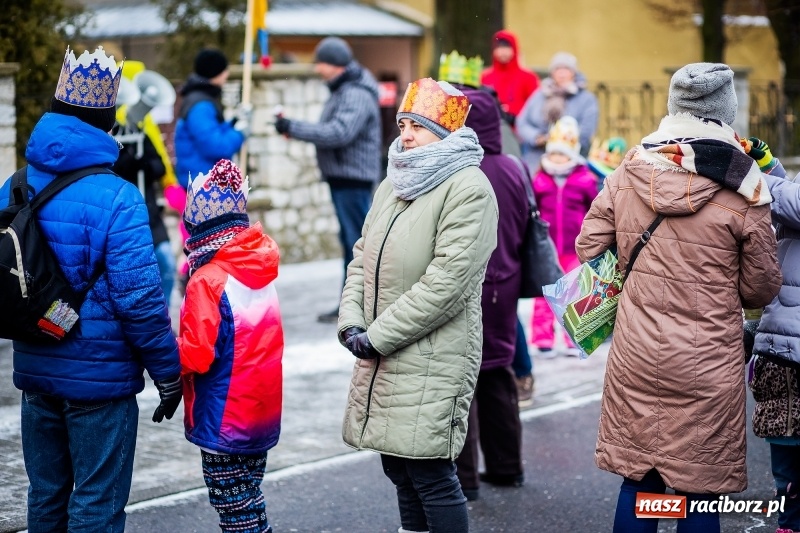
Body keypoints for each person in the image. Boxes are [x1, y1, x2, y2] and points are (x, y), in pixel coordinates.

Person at [576, 62, 782, 532]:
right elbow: (759, 288)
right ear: (726, 112)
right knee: (698, 489)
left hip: (636, 351)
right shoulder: (746, 186)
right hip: (707, 358)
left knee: (641, 482)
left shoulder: (632, 166)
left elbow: (589, 247)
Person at [0, 46, 182, 532]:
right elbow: (141, 301)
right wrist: (168, 373)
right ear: (106, 122)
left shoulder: (14, 185)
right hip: (101, 383)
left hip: (35, 367)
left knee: (45, 500)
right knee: (96, 508)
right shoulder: (119, 196)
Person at [337, 78, 498, 533]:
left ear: (445, 133)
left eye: (418, 127)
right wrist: (351, 322)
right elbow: (361, 256)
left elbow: (447, 283)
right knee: (399, 470)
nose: (405, 135)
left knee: (429, 472)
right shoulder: (394, 183)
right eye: (403, 124)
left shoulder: (469, 188)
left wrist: (377, 336)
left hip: (433, 352)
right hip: (381, 349)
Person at [179, 159, 283, 533]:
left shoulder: (206, 280)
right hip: (261, 412)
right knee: (250, 500)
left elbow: (196, 353)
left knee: (233, 507)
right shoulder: (259, 270)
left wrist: (162, 351)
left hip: (225, 418)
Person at [274, 36, 381, 324]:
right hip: (343, 178)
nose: (317, 69)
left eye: (320, 63)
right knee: (351, 244)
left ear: (335, 65)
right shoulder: (344, 89)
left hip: (352, 180)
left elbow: (338, 133)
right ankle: (352, 305)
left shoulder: (355, 93)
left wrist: (294, 127)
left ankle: (362, 307)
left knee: (359, 246)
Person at [453, 87, 527, 501]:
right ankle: (507, 466)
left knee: (460, 379)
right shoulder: (514, 167)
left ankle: (463, 479)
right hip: (507, 286)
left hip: (470, 285)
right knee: (498, 373)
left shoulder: (462, 172)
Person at [745, 139, 800, 533]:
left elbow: (791, 204)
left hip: (788, 344)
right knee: (785, 453)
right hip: (783, 345)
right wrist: (768, 164)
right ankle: (789, 522)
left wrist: (745, 173)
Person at [114, 60, 179, 308]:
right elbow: (117, 168)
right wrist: (132, 161)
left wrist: (141, 163)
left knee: (166, 265)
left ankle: (162, 315)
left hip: (150, 213)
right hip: (127, 216)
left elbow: (159, 167)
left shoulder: (140, 132)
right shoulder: (116, 134)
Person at [531, 116, 598, 357]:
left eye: (563, 154)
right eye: (555, 153)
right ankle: (542, 339)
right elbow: (532, 209)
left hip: (574, 246)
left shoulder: (584, 179)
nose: (558, 159)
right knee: (544, 293)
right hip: (548, 246)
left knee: (574, 293)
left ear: (572, 154)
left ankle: (573, 338)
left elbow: (594, 209)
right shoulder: (539, 179)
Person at [175, 49, 249, 189]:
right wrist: (240, 134)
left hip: (204, 182)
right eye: (224, 70)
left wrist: (234, 122)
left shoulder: (200, 98)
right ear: (215, 73)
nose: (227, 74)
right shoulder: (200, 106)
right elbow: (215, 146)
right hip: (203, 186)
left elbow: (211, 132)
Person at [516, 52, 598, 171]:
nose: (562, 73)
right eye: (558, 68)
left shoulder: (586, 99)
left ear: (574, 72)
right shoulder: (539, 95)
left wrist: (559, 141)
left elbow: (586, 130)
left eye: (566, 69)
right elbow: (522, 122)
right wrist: (536, 137)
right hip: (536, 158)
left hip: (571, 159)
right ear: (552, 72)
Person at [480, 30, 540, 126]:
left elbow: (536, 106)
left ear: (514, 49)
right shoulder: (485, 77)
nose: (503, 51)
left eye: (506, 47)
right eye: (499, 47)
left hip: (520, 130)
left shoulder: (529, 78)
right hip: (492, 128)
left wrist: (514, 113)